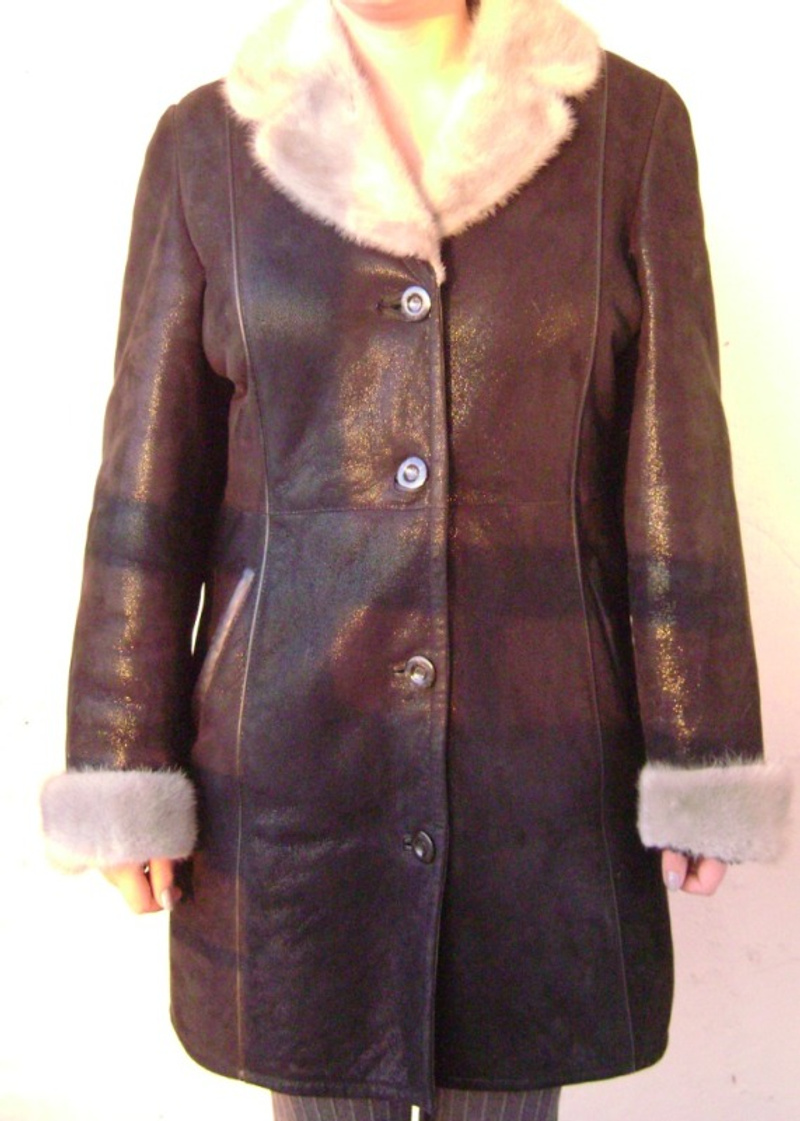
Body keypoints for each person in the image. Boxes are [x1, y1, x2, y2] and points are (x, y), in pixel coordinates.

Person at [40, 1, 791, 1119]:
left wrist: (703, 744)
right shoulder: (209, 147)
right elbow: (150, 481)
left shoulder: (624, 131)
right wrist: (119, 752)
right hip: (292, 769)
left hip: (535, 760)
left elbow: (674, 456)